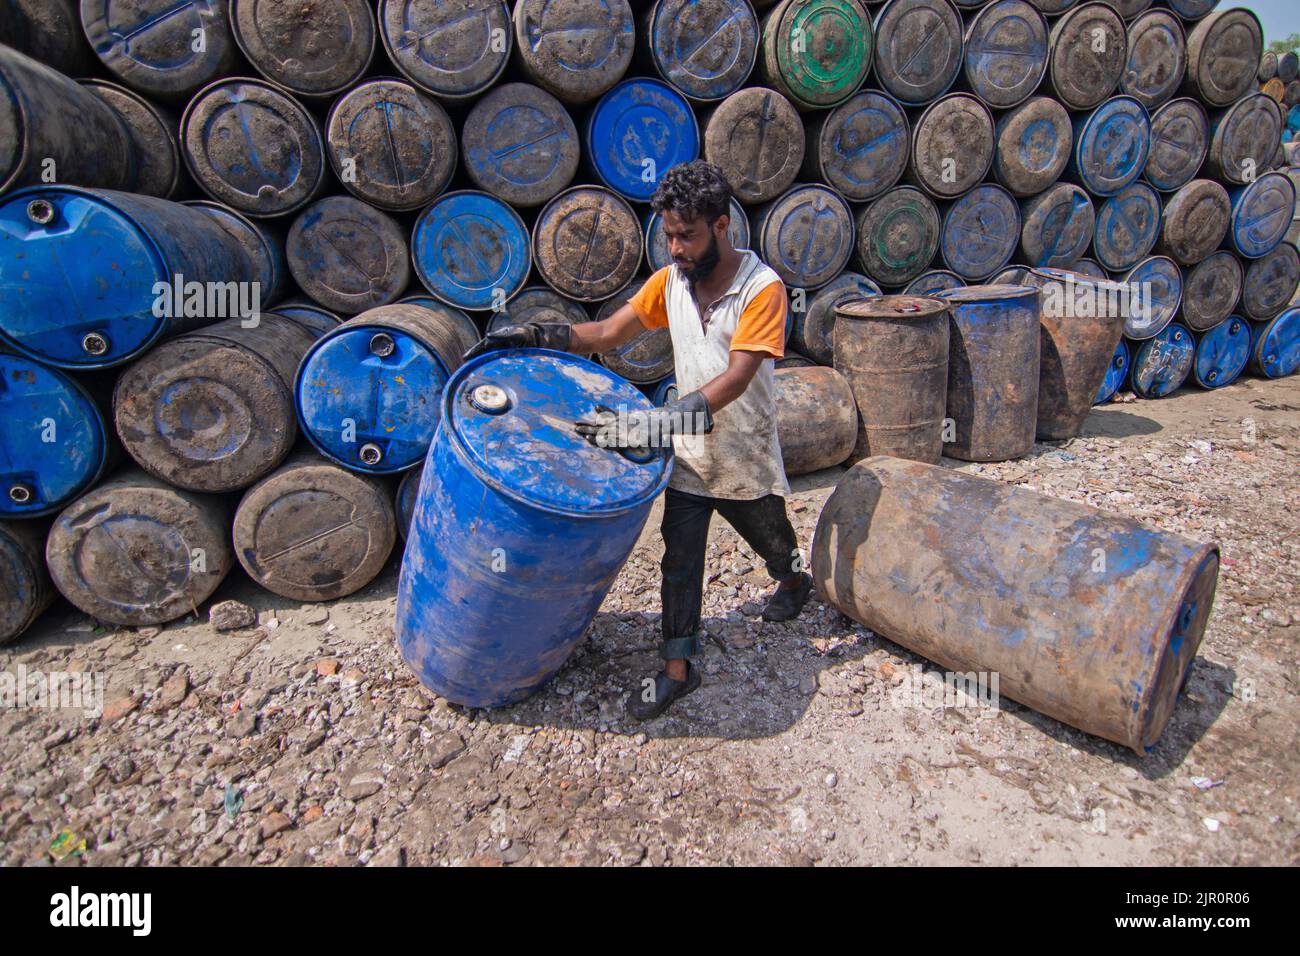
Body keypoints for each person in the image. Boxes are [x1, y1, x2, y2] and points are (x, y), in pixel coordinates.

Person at [465, 160, 813, 719]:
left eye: (687, 235)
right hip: (689, 450)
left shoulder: (762, 290)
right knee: (680, 559)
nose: (675, 248)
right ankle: (679, 668)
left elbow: (737, 378)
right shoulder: (671, 282)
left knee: (771, 537)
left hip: (743, 449)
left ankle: (793, 580)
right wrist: (535, 334)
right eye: (669, 235)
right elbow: (607, 332)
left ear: (722, 227)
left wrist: (652, 423)